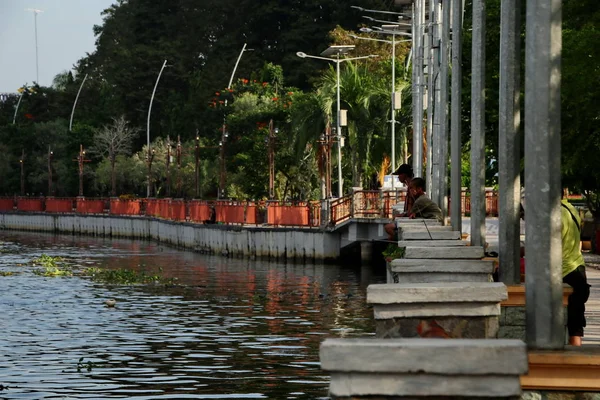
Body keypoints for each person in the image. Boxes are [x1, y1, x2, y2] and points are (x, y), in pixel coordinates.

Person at [560, 197, 591, 346]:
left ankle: (574, 361)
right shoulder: (570, 208)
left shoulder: (557, 214)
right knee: (575, 324)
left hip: (565, 272)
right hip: (577, 268)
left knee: (572, 324)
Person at [384, 164, 415, 240]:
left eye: (399, 175)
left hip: (411, 218)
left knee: (388, 228)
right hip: (408, 215)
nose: (398, 177)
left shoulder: (412, 187)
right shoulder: (409, 186)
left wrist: (404, 215)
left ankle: (396, 240)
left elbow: (412, 206)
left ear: (404, 175)